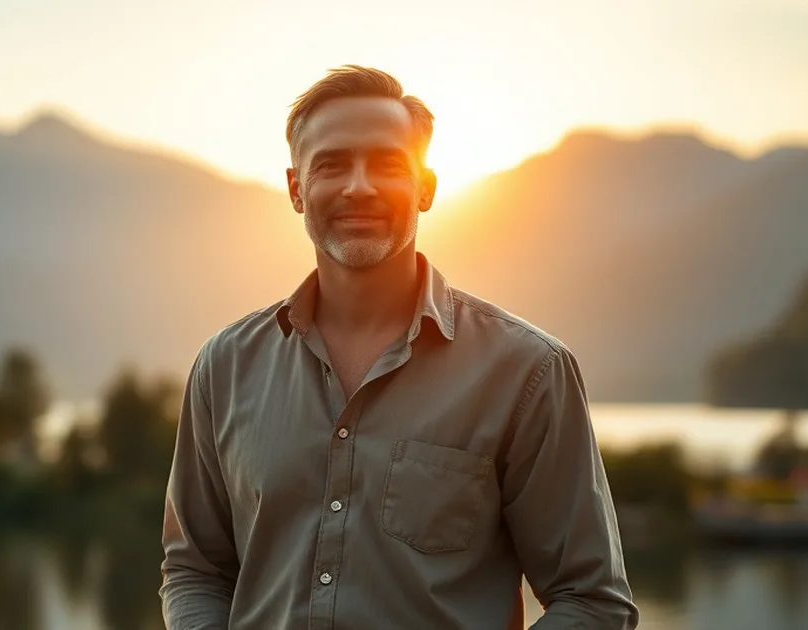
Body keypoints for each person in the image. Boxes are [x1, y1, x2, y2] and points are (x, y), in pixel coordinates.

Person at [159, 65, 639, 629]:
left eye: (386, 165)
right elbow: (195, 569)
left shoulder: (527, 371)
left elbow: (591, 599)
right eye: (332, 164)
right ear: (296, 189)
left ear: (427, 187)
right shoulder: (226, 367)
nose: (357, 186)